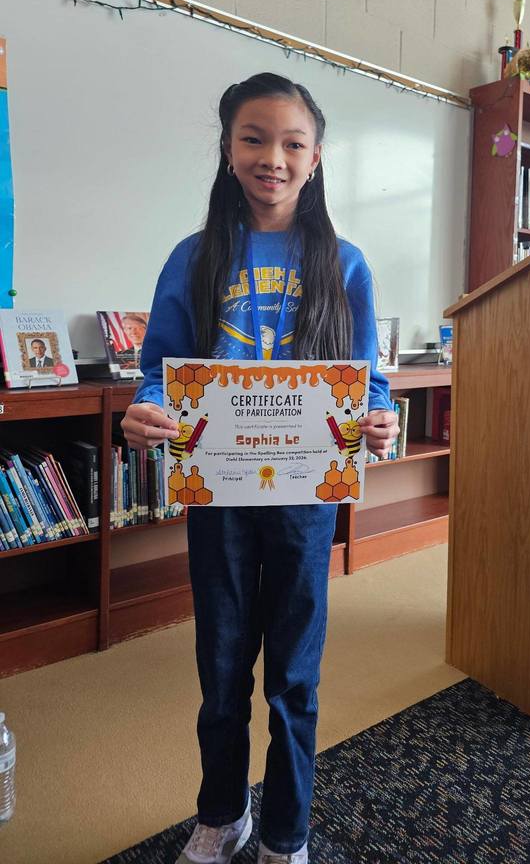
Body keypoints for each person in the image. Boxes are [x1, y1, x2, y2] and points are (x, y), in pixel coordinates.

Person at [121, 73, 398, 864]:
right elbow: (157, 369)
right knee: (221, 674)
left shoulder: (345, 265)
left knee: (295, 682)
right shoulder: (194, 256)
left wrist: (377, 420)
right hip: (219, 500)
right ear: (227, 147)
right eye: (253, 138)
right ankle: (221, 814)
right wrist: (147, 410)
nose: (271, 158)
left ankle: (286, 830)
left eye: (291, 143)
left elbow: (364, 378)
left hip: (306, 505)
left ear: (316, 159)